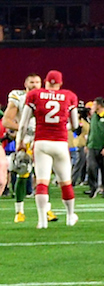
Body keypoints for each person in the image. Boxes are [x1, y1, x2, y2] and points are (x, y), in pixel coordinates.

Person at [16, 70, 80, 228]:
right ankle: (70, 216)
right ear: (60, 82)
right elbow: (76, 125)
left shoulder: (35, 95)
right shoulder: (69, 96)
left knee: (42, 182)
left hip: (41, 142)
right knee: (65, 182)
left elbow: (23, 123)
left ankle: (42, 221)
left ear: (45, 81)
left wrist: (20, 141)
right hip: (60, 142)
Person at [4, 73, 48, 223]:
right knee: (23, 174)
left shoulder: (47, 97)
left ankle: (46, 209)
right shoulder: (18, 96)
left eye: (37, 82)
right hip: (26, 139)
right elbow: (6, 121)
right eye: (32, 82)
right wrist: (25, 130)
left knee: (44, 174)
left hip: (43, 139)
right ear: (25, 83)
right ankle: (19, 211)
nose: (35, 84)